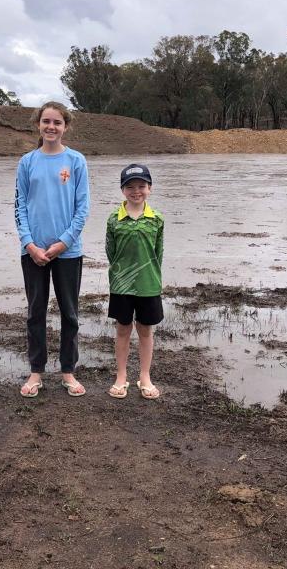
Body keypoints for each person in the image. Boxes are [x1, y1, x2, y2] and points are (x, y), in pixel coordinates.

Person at [14, 101, 90, 397]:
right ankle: (36, 371)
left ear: (65, 127)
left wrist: (63, 243)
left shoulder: (76, 161)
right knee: (35, 312)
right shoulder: (27, 162)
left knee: (70, 313)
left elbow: (82, 209)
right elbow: (19, 206)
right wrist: (29, 244)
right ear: (38, 125)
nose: (51, 127)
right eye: (46, 121)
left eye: (57, 122)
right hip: (32, 252)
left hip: (68, 252)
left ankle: (68, 371)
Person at [105, 163, 164, 400]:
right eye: (130, 186)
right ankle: (121, 377)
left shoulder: (157, 219)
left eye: (141, 186)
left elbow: (158, 252)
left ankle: (145, 376)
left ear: (149, 188)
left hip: (149, 284)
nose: (136, 191)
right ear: (122, 190)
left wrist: (149, 272)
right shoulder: (113, 219)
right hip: (121, 284)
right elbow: (110, 250)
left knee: (146, 331)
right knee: (122, 330)